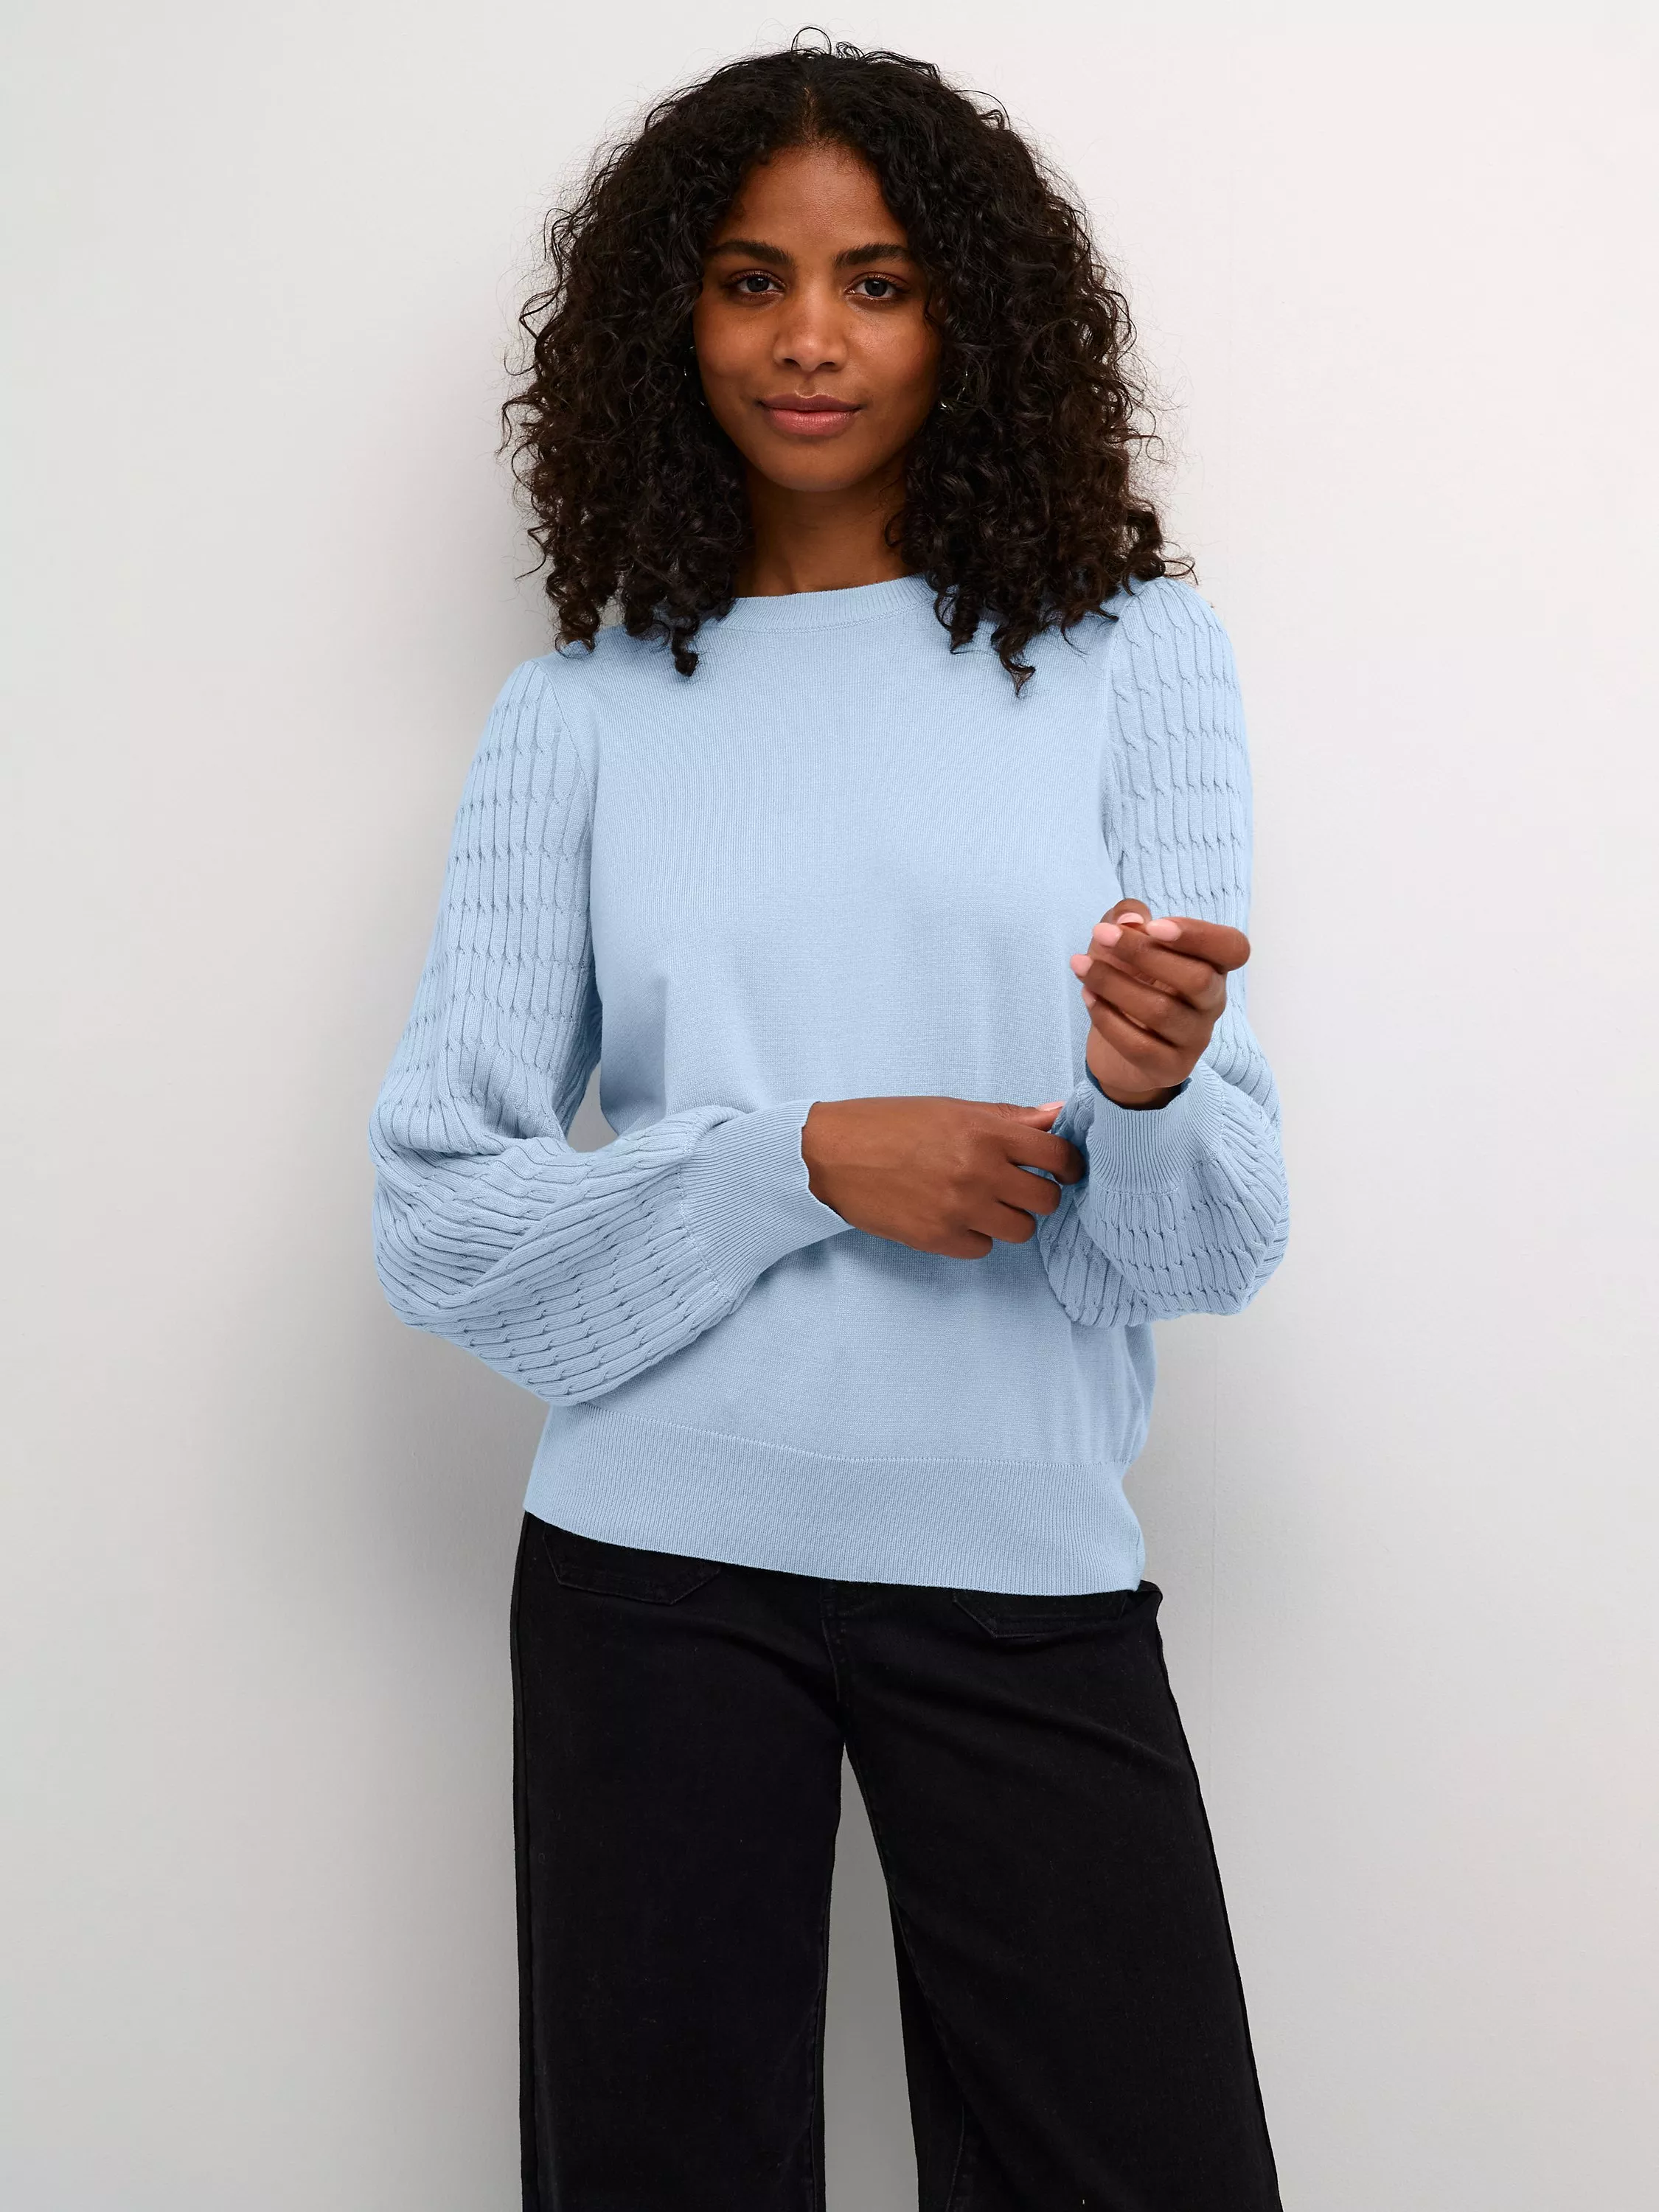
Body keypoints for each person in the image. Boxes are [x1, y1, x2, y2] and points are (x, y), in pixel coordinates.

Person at [369, 35, 1289, 2212]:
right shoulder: (582, 718)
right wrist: (797, 1162)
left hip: (1017, 1555)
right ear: (666, 324)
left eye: (877, 282)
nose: (810, 338)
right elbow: (440, 1217)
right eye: (751, 280)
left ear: (969, 319)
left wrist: (1146, 1092)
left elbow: (1205, 1249)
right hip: (654, 1580)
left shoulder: (1131, 659)